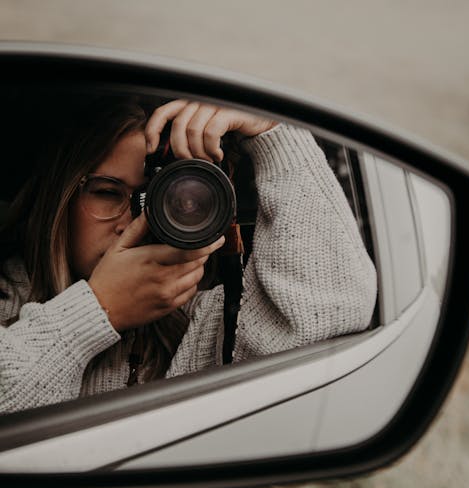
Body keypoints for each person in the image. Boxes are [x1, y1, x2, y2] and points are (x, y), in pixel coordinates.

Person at [0, 96, 377, 414]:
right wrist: (97, 311)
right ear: (60, 199)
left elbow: (330, 314)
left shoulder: (205, 325)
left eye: (164, 202)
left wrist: (272, 134)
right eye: (106, 192)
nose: (130, 223)